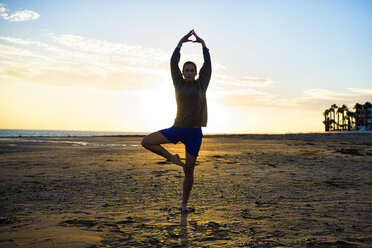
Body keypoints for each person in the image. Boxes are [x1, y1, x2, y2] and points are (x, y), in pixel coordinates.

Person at [141, 30, 212, 212]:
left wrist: (204, 46)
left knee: (189, 170)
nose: (189, 72)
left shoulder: (201, 84)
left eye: (192, 70)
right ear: (182, 72)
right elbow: (173, 62)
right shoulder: (178, 83)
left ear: (196, 73)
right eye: (186, 70)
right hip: (177, 128)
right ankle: (172, 158)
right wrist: (180, 43)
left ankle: (184, 205)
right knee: (146, 141)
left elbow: (208, 65)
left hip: (194, 133)